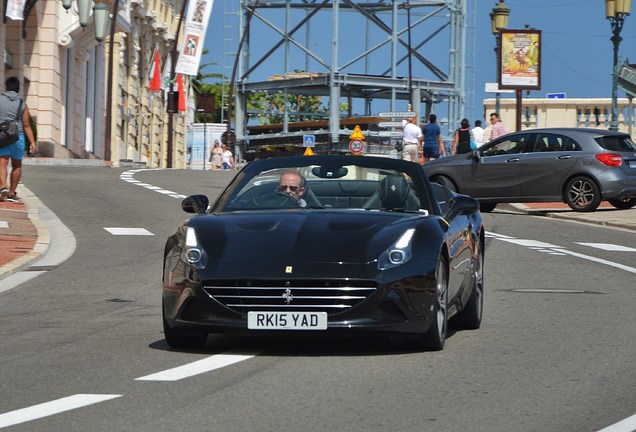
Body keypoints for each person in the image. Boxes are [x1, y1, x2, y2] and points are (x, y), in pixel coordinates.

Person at [0, 77, 36, 203]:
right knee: (16, 164)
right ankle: (11, 193)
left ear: (6, 87)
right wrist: (32, 142)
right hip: (17, 136)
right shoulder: (22, 103)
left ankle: (2, 186)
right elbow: (26, 125)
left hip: (2, 134)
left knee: (2, 162)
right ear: (18, 88)